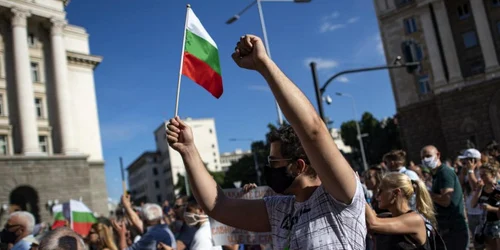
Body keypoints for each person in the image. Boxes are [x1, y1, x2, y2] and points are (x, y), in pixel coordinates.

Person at [166, 34, 366, 249]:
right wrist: (188, 151)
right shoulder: (280, 209)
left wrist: (263, 65)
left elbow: (313, 131)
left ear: (298, 165)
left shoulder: (340, 195)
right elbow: (219, 207)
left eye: (274, 162)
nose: (268, 169)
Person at [365, 173, 437, 249]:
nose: (377, 195)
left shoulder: (415, 219)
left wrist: (358, 194)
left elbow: (373, 224)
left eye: (381, 191)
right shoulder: (386, 217)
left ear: (396, 193)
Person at [421, 145, 468, 250]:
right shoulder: (436, 174)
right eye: (423, 158)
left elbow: (446, 200)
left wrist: (426, 194)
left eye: (428, 156)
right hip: (445, 227)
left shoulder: (444, 172)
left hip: (454, 227)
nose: (425, 160)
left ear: (438, 155)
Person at [457, 148, 483, 249]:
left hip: (482, 212)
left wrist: (471, 171)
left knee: (487, 242)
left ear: (474, 160)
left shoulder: (482, 172)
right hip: (471, 212)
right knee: (477, 243)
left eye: (466, 160)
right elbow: (459, 185)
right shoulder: (467, 171)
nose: (464, 163)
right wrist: (463, 173)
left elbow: (475, 188)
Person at [471, 163, 500, 250]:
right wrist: (478, 190)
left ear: (492, 174)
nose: (482, 177)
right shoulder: (481, 189)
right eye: (480, 175)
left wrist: (491, 208)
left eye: (484, 175)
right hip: (486, 223)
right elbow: (473, 204)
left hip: (498, 223)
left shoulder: (498, 189)